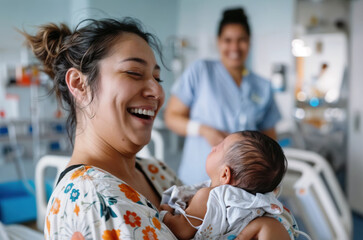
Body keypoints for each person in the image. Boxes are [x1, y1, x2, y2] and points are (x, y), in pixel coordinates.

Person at [22, 18, 291, 239]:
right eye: (134, 73)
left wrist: (268, 225)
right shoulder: (89, 199)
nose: (158, 91)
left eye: (158, 78)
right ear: (80, 85)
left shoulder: (156, 171)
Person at [164, 7, 282, 185]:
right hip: (198, 178)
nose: (234, 47)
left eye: (241, 40)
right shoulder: (201, 71)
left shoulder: (262, 86)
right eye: (228, 40)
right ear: (218, 42)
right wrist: (205, 130)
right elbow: (172, 117)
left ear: (249, 42)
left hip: (243, 185)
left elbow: (270, 140)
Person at [159, 131, 297, 240]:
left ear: (225, 174)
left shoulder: (209, 197)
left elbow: (181, 231)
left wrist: (166, 212)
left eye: (218, 149)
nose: (213, 147)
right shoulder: (258, 202)